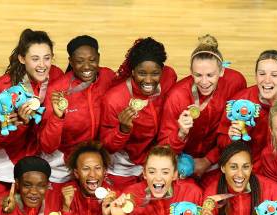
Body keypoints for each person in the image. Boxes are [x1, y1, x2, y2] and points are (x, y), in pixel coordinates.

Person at [159, 35, 246, 184]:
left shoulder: (235, 83)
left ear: (222, 71)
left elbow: (236, 131)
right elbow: (163, 147)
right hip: (183, 162)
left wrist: (208, 160)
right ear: (191, 72)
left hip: (219, 160)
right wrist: (180, 134)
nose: (204, 82)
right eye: (198, 75)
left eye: (210, 75)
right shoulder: (177, 96)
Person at [0, 29, 65, 183]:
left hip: (43, 154)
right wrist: (20, 125)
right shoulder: (3, 88)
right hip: (8, 160)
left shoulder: (57, 76)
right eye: (35, 59)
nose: (42, 65)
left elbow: (49, 140)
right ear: (22, 59)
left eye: (47, 58)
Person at [100, 38, 177, 190]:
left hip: (158, 159)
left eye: (155, 73)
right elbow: (107, 146)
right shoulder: (114, 99)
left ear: (162, 70)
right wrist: (123, 130)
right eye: (142, 73)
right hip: (125, 167)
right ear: (133, 71)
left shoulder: (169, 78)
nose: (148, 80)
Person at [38, 35, 116, 186]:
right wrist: (57, 117)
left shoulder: (108, 78)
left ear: (99, 58)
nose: (87, 67)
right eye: (79, 61)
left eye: (92, 60)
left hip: (94, 165)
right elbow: (47, 146)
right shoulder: (57, 90)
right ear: (71, 62)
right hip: (62, 167)